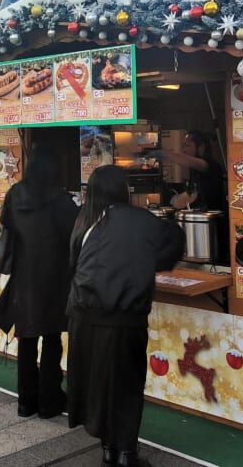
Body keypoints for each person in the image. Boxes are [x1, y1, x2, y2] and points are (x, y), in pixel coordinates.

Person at [67, 164, 185, 467]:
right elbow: (173, 241)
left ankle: (108, 449)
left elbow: (73, 265)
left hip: (83, 318)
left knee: (98, 385)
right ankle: (127, 453)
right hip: (124, 320)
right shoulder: (139, 219)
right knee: (127, 385)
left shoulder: (84, 220)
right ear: (124, 190)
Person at [0, 147, 78, 419]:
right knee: (52, 340)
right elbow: (74, 238)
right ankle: (49, 402)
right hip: (55, 278)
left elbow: (6, 225)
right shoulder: (63, 202)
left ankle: (25, 402)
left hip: (24, 278)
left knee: (26, 340)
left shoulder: (16, 194)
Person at [160, 131, 226, 211]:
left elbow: (187, 161)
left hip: (212, 218)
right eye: (182, 146)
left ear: (201, 147)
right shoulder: (193, 169)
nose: (183, 150)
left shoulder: (210, 165)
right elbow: (191, 195)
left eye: (187, 145)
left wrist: (163, 153)